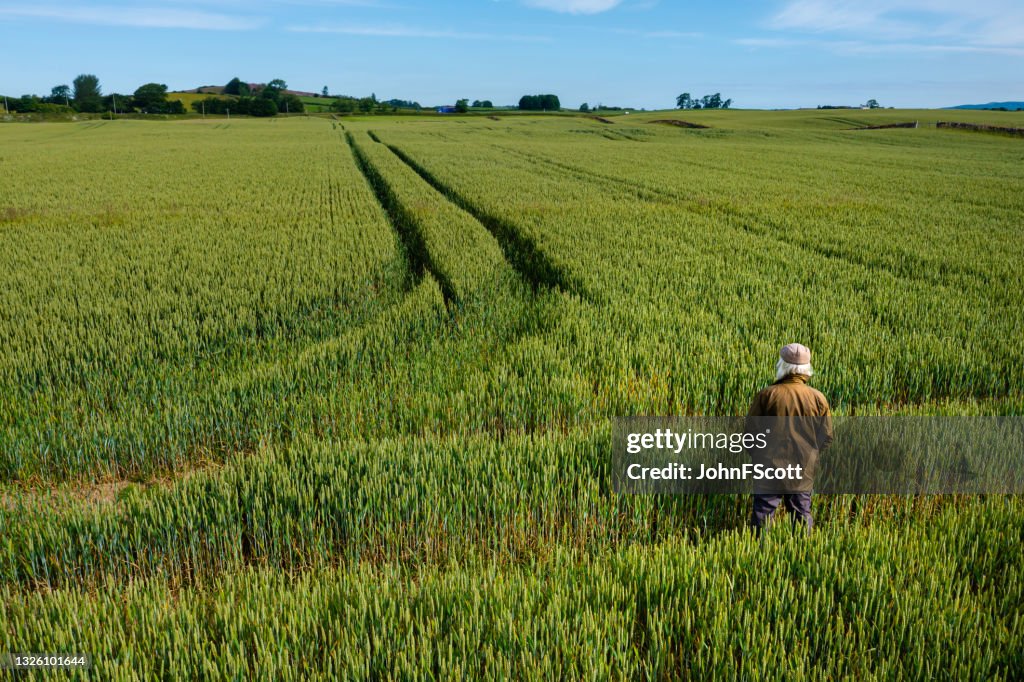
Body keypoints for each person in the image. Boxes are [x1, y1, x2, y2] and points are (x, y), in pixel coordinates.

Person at [745, 343, 833, 533]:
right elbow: (826, 436)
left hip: (769, 467)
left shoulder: (767, 395)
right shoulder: (818, 398)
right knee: (802, 516)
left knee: (762, 517)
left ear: (782, 365)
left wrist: (759, 457)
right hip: (802, 468)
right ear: (806, 369)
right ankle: (804, 558)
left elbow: (750, 433)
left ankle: (757, 559)